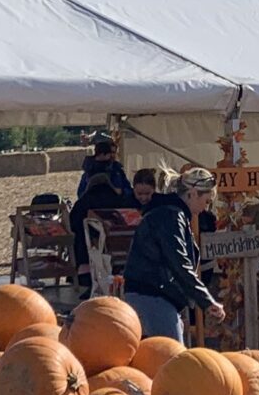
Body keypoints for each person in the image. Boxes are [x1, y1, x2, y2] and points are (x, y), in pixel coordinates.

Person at [122, 166, 226, 343]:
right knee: (172, 359)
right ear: (193, 194)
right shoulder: (170, 216)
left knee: (163, 357)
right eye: (206, 201)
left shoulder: (169, 214)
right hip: (152, 295)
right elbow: (179, 263)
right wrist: (207, 301)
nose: (205, 208)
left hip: (151, 294)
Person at [68, 135, 136, 294]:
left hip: (95, 222)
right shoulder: (111, 170)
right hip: (102, 225)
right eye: (110, 153)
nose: (112, 156)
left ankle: (86, 274)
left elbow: (80, 199)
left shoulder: (106, 170)